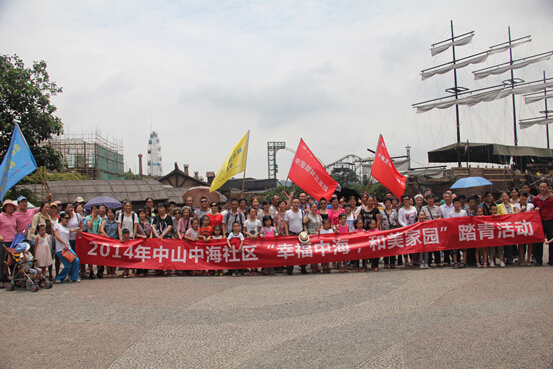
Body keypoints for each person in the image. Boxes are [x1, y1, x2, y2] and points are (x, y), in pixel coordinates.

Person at [53, 212, 81, 283]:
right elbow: (57, 235)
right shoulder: (57, 225)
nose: (67, 219)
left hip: (68, 248)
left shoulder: (66, 228)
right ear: (61, 218)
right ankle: (59, 278)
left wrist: (80, 228)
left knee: (76, 260)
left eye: (68, 218)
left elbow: (73, 230)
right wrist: (64, 242)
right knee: (68, 266)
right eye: (66, 218)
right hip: (60, 249)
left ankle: (74, 278)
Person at [533, 181, 553, 266]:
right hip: (540, 221)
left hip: (551, 220)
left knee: (551, 240)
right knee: (539, 240)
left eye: (544, 187)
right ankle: (538, 260)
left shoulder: (551, 197)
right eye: (541, 187)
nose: (542, 189)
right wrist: (536, 209)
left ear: (548, 188)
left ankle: (551, 260)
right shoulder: (536, 198)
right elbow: (533, 210)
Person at [285, 198, 306, 275]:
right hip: (291, 233)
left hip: (300, 233)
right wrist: (287, 234)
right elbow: (286, 224)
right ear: (292, 204)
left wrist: (305, 231)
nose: (296, 204)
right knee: (291, 252)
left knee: (302, 252)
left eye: (297, 203)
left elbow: (303, 223)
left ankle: (303, 268)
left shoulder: (302, 212)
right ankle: (290, 268)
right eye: (295, 203)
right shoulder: (288, 213)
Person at [514, 191, 534, 266]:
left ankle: (528, 258)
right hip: (520, 225)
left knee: (530, 243)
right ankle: (522, 258)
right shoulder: (516, 205)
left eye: (525, 196)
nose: (523, 198)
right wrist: (522, 210)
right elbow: (516, 214)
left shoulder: (531, 205)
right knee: (521, 243)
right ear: (519, 197)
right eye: (522, 196)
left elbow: (533, 214)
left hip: (529, 225)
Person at [379, 198, 399, 269]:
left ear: (391, 204)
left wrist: (398, 229)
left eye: (389, 203)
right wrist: (380, 230)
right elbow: (380, 222)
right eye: (386, 203)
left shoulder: (394, 211)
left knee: (392, 247)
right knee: (386, 248)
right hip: (385, 231)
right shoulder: (381, 211)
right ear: (384, 204)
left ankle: (392, 262)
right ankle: (386, 263)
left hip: (393, 232)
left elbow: (396, 221)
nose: (388, 204)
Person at [100, 208, 120, 278]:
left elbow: (118, 231)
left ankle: (114, 271)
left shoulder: (117, 222)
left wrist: (120, 239)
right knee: (107, 257)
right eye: (108, 212)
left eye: (111, 212)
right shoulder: (104, 222)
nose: (110, 214)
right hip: (107, 241)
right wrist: (107, 236)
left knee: (114, 257)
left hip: (115, 240)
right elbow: (101, 230)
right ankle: (109, 272)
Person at [497, 191, 515, 264]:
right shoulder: (499, 206)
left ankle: (510, 258)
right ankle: (502, 258)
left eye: (506, 196)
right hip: (502, 227)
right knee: (503, 244)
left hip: (511, 226)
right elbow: (498, 215)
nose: (504, 198)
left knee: (510, 244)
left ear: (509, 197)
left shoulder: (513, 206)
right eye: (503, 196)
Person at [244, 208, 261, 276]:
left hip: (256, 240)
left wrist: (257, 234)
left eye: (254, 212)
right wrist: (249, 234)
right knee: (250, 254)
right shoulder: (246, 222)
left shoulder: (258, 221)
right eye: (251, 212)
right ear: (249, 213)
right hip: (249, 240)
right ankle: (251, 268)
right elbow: (244, 231)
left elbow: (260, 230)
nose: (253, 213)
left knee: (256, 254)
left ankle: (255, 268)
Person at [135, 208, 152, 277]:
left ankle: (146, 270)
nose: (142, 215)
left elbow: (151, 231)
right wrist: (142, 236)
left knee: (147, 256)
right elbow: (135, 233)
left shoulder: (148, 223)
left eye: (143, 213)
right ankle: (139, 270)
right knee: (140, 256)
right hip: (140, 241)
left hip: (147, 242)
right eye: (141, 214)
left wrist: (150, 237)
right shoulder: (137, 223)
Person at [487, 203, 504, 267]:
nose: (495, 211)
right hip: (492, 235)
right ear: (490, 211)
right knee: (492, 248)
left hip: (499, 235)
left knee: (500, 248)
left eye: (496, 210)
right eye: (493, 210)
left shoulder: (499, 217)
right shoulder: (488, 218)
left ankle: (502, 261)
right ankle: (491, 261)